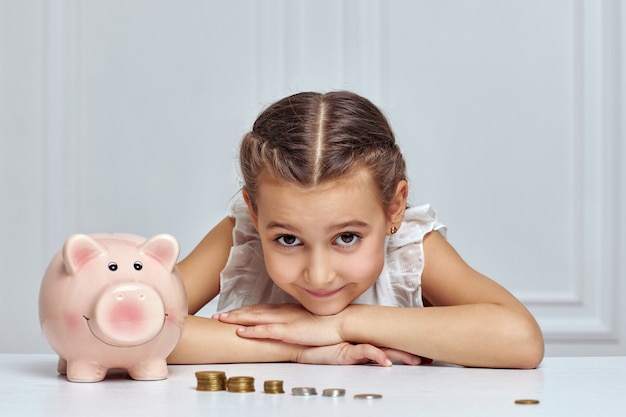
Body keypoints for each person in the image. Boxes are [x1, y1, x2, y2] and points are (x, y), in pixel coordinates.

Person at [168, 91, 544, 369]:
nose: (319, 273)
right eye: (287, 239)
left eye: (347, 238)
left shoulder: (409, 248)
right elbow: (135, 330)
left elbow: (520, 339)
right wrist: (299, 347)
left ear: (394, 208)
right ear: (253, 209)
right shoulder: (242, 236)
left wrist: (342, 324)